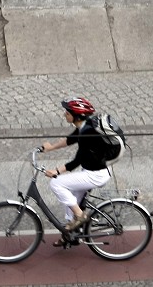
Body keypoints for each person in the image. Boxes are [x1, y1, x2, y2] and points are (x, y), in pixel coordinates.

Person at [39, 97, 112, 239]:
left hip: (95, 175)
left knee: (56, 183)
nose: (64, 114)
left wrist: (57, 171)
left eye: (67, 112)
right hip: (94, 170)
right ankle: (70, 235)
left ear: (77, 116)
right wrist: (51, 148)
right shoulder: (86, 125)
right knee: (71, 199)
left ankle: (80, 216)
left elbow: (77, 161)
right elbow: (70, 139)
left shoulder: (87, 134)